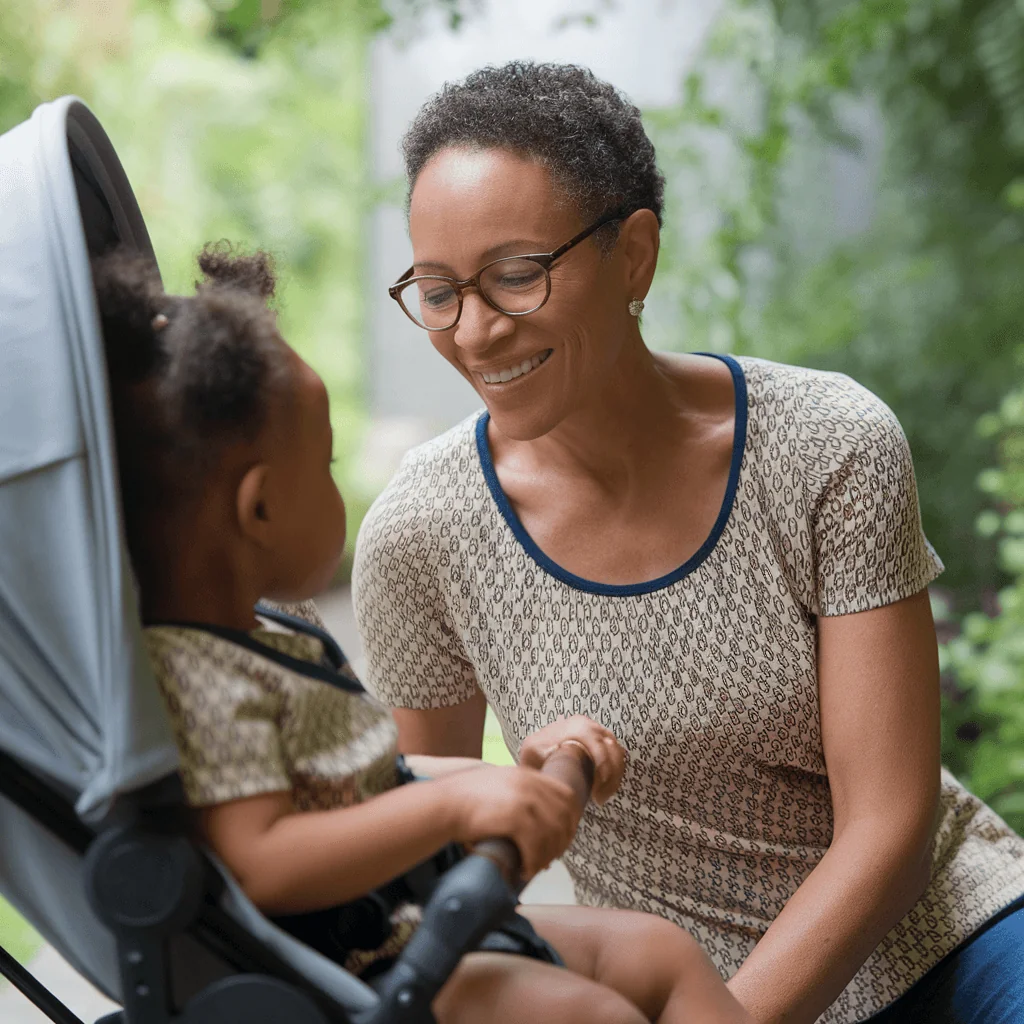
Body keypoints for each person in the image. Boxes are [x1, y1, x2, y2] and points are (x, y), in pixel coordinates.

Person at [351, 61, 1024, 1024]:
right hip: (678, 993)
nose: (475, 331)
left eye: (514, 276)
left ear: (634, 253)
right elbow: (431, 868)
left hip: (952, 947)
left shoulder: (830, 444)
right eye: (439, 290)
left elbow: (890, 830)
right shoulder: (420, 532)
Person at [92, 243, 752, 1024]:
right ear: (261, 509)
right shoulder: (197, 678)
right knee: (592, 1013)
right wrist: (451, 813)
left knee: (660, 954)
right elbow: (262, 858)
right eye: (328, 463)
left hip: (401, 936)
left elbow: (357, 782)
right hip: (351, 974)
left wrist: (498, 779)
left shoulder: (260, 639)